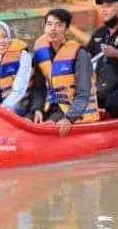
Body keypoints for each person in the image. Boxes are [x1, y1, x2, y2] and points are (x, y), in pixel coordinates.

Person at [30, 8, 100, 136]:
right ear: (45, 28)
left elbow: (83, 93)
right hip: (50, 106)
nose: (53, 29)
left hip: (72, 110)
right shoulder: (40, 53)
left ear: (66, 30)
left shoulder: (80, 54)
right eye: (49, 24)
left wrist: (69, 118)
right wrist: (37, 109)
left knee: (49, 125)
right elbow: (39, 88)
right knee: (26, 119)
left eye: (59, 25)